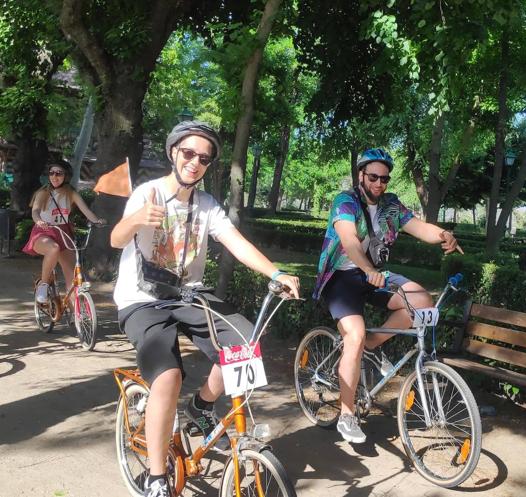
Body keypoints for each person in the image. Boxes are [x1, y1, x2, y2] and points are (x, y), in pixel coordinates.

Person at [111, 121, 300, 497]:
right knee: (167, 376)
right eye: (188, 153)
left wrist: (277, 272)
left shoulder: (207, 206)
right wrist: (135, 219)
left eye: (204, 158)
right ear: (174, 152)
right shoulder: (148, 194)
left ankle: (202, 405)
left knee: (245, 343)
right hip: (142, 300)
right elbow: (117, 239)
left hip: (188, 295)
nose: (195, 162)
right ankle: (156, 476)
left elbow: (236, 242)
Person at [313, 147, 463, 444]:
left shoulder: (391, 205)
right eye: (373, 177)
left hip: (375, 275)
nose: (379, 184)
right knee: (352, 335)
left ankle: (371, 345)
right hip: (341, 277)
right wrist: (368, 268)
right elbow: (349, 241)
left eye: (385, 179)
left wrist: (444, 235)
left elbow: (420, 228)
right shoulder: (345, 201)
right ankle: (346, 414)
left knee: (421, 299)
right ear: (361, 175)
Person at [22, 160, 105, 303]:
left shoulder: (71, 193)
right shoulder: (43, 192)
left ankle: (77, 314)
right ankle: (44, 284)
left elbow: (86, 211)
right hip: (44, 231)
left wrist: (97, 221)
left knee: (73, 278)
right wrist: (39, 221)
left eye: (59, 173)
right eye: (51, 173)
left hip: (64, 233)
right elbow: (35, 212)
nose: (54, 176)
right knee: (53, 248)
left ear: (66, 176)